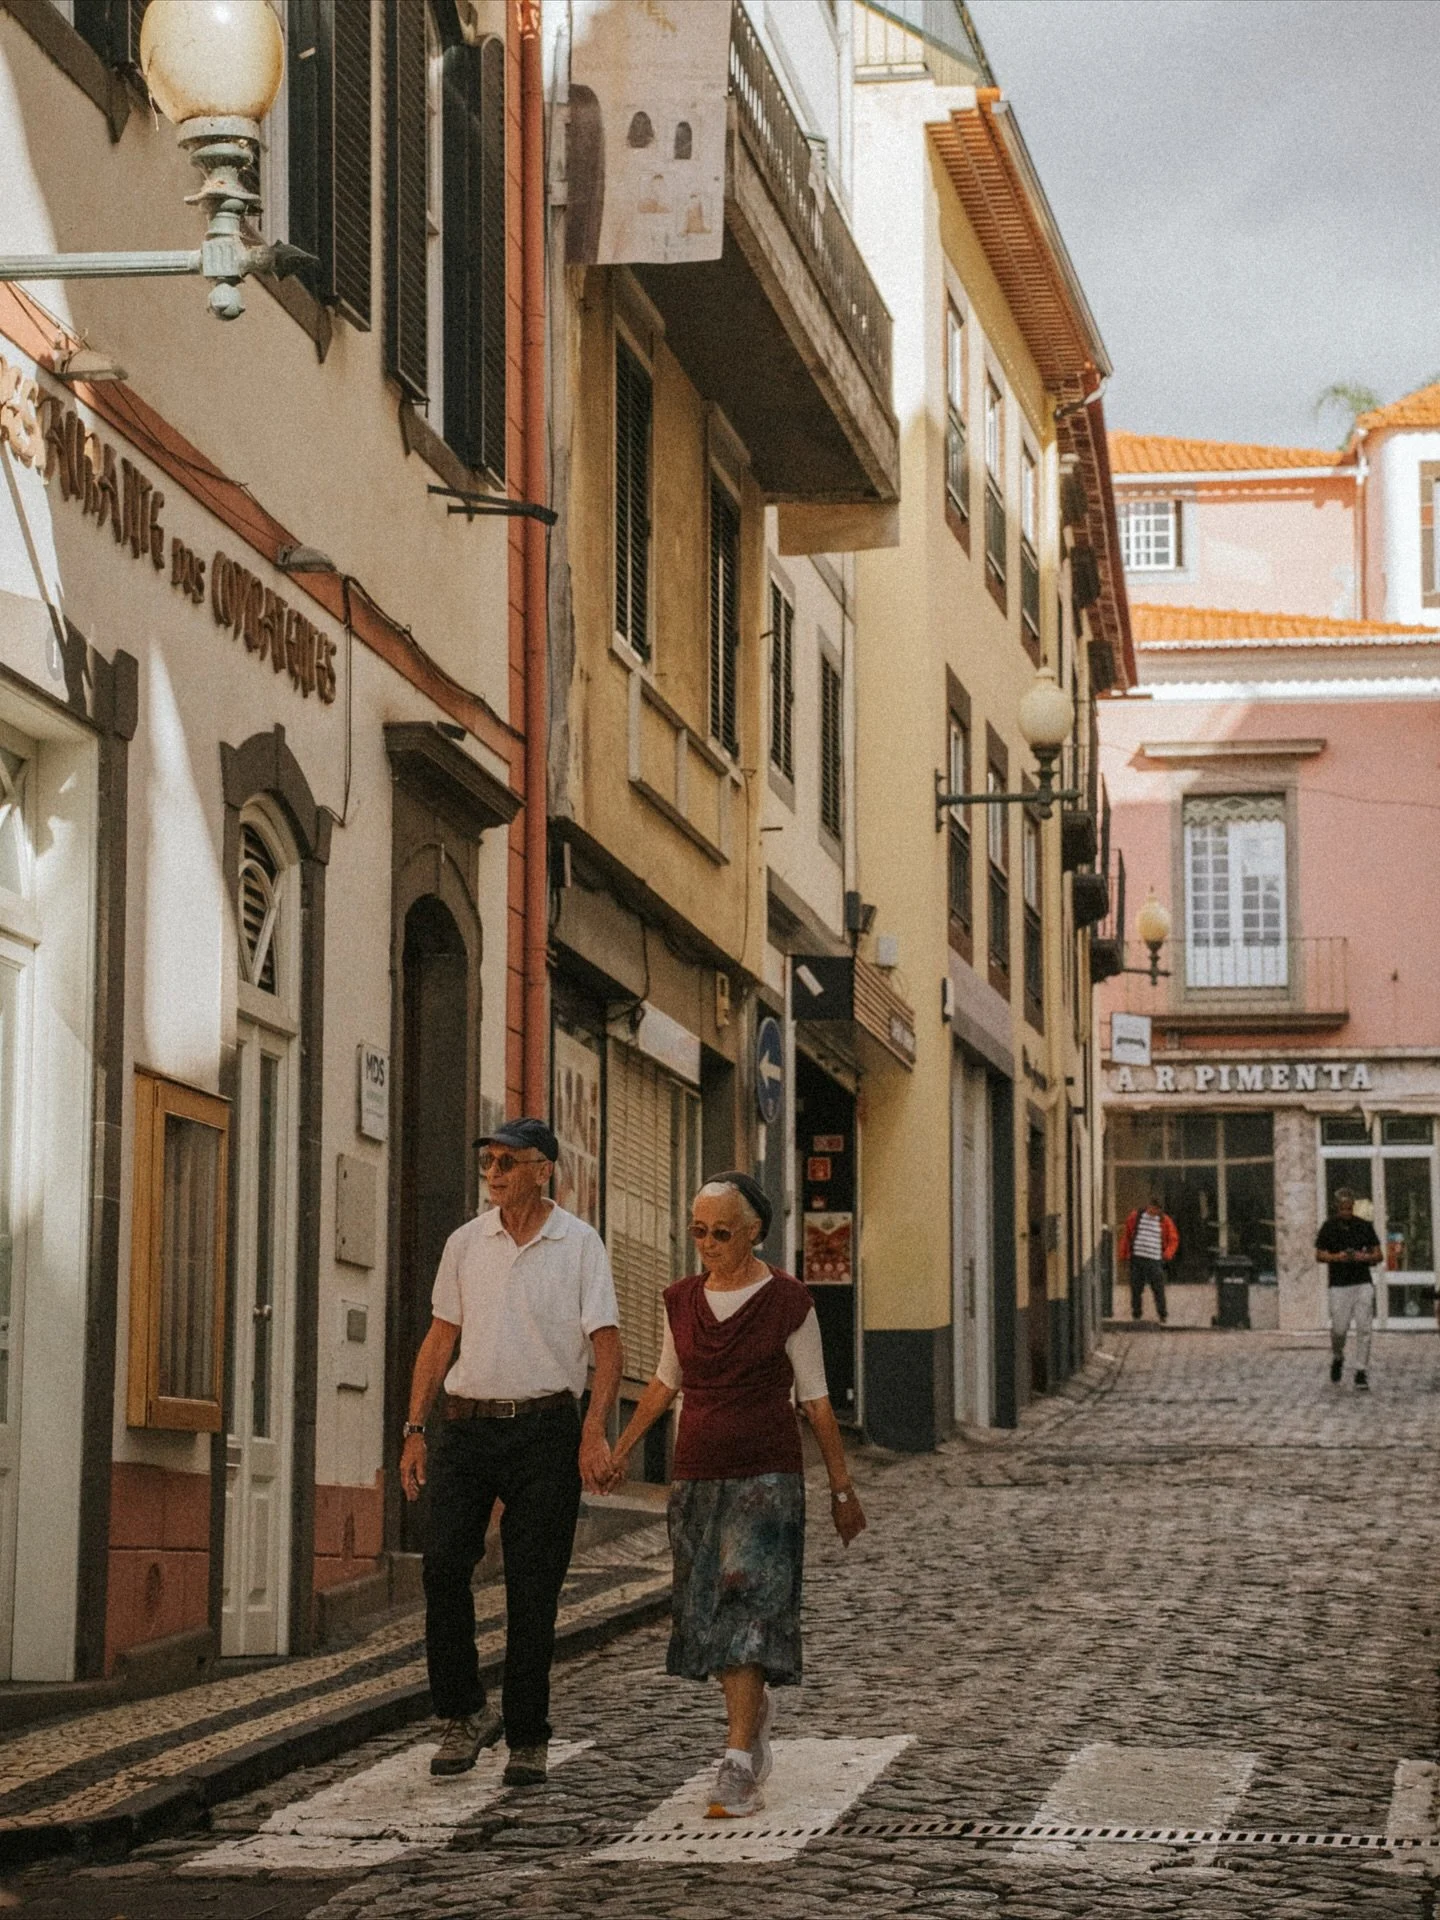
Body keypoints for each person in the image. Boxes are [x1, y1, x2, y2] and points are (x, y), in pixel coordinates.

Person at [600, 1171, 866, 1820]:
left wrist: (840, 1488)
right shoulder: (680, 1300)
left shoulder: (789, 1302)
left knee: (748, 1612)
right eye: (698, 1231)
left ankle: (739, 1757)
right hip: (696, 1477)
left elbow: (817, 1399)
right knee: (712, 1617)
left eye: (722, 1232)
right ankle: (753, 1717)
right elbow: (665, 1384)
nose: (708, 1243)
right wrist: (623, 1447)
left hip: (765, 1480)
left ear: (754, 1233)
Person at [400, 1117, 622, 1784]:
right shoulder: (466, 1243)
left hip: (546, 1431)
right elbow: (440, 1341)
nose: (493, 1173)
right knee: (442, 1567)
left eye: (507, 1162)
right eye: (487, 1162)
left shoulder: (579, 1245)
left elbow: (607, 1350)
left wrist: (592, 1431)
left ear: (542, 1169)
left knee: (533, 1587)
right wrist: (415, 1429)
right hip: (466, 1429)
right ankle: (460, 1713)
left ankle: (527, 1733)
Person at [1315, 1186, 1382, 1389]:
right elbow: (1319, 1254)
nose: (1346, 1211)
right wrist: (1337, 1257)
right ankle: (1338, 1356)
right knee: (1339, 1328)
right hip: (1339, 1284)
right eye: (1342, 1207)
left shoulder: (1364, 1226)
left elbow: (1379, 1255)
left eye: (1349, 1207)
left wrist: (1365, 1257)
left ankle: (1361, 1370)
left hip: (1362, 1282)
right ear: (1337, 1207)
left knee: (1364, 1328)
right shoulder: (1329, 1227)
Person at [1118, 1192, 1178, 1323]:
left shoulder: (1164, 1221)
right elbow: (1127, 1236)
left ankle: (1162, 1314)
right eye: (1153, 1209)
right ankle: (1136, 1314)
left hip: (1154, 1259)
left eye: (1157, 1210)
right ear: (1149, 1207)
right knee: (1135, 1288)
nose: (1154, 1212)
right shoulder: (1136, 1217)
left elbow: (1173, 1239)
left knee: (1158, 1288)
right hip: (1137, 1258)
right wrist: (1123, 1255)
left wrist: (1167, 1255)